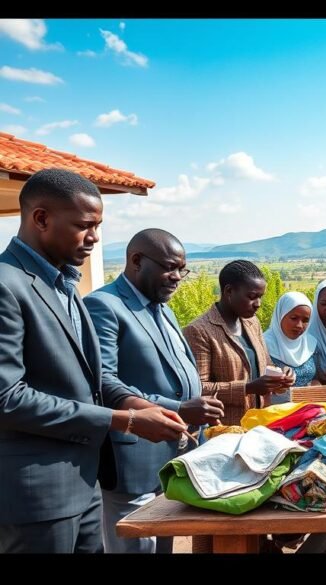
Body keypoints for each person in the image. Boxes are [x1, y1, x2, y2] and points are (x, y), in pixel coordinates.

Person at [0, 169, 186, 553]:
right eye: (85, 226)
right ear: (41, 218)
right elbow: (8, 398)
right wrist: (127, 421)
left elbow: (95, 379)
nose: (95, 238)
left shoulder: (65, 284)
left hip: (85, 485)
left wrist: (137, 404)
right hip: (35, 496)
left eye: (98, 226)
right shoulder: (7, 285)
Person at [84, 228, 225, 553]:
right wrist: (178, 407)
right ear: (136, 260)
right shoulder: (105, 305)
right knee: (136, 547)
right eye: (169, 267)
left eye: (182, 269)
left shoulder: (164, 308)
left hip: (175, 456)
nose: (177, 277)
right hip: (134, 459)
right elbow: (103, 382)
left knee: (164, 544)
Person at [183, 260, 294, 427]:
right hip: (225, 428)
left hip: (259, 422)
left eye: (260, 297)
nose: (258, 304)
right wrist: (247, 388)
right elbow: (198, 389)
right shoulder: (199, 331)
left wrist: (281, 376)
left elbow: (264, 363)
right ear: (229, 291)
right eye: (251, 297)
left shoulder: (252, 322)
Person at [264, 291, 319, 402]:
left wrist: (316, 385)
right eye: (294, 318)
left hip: (307, 408)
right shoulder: (263, 344)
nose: (299, 325)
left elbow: (315, 378)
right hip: (274, 411)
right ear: (281, 315)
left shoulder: (310, 344)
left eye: (305, 320)